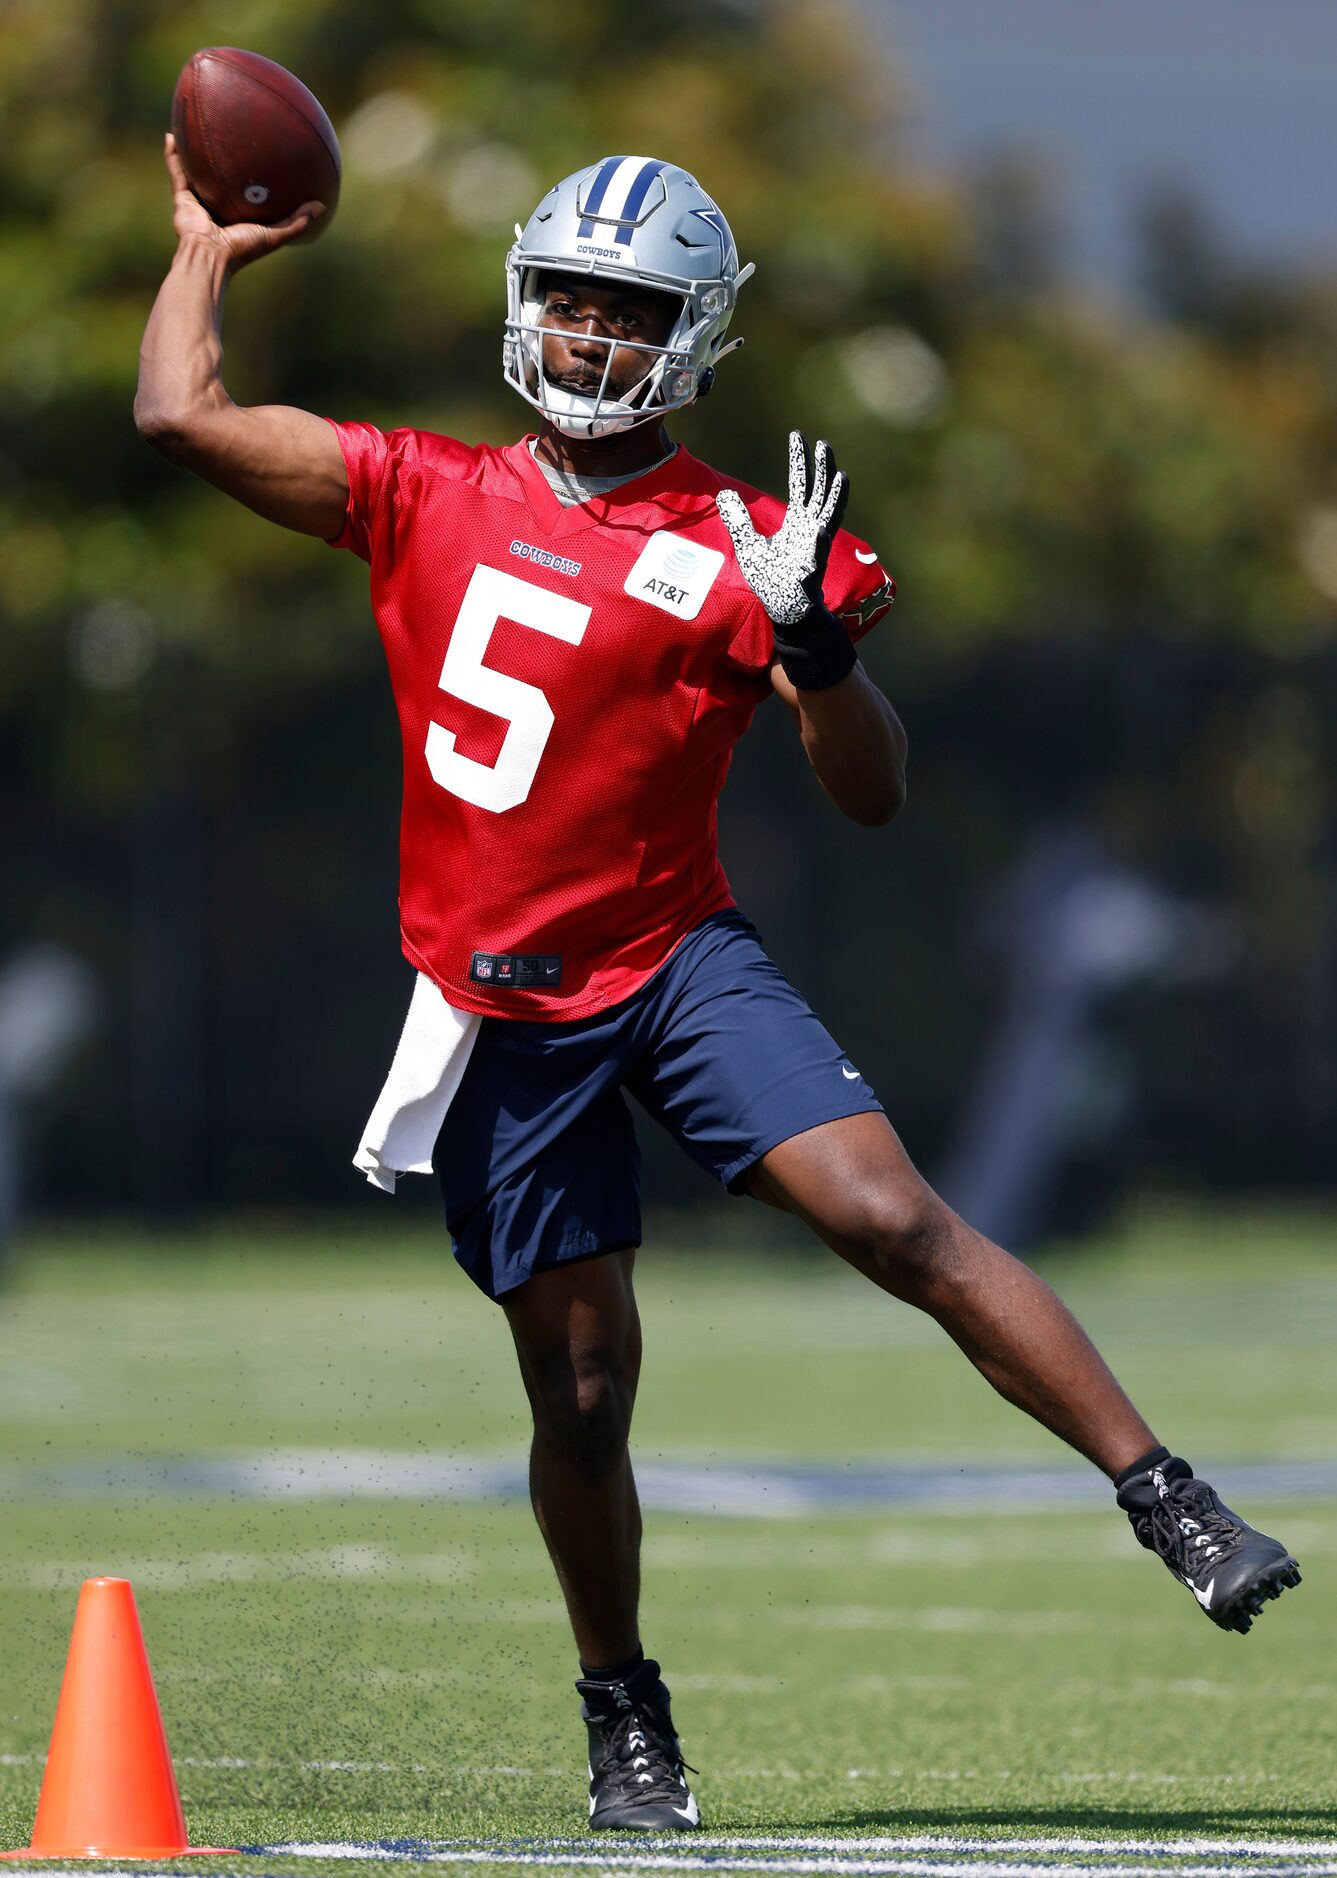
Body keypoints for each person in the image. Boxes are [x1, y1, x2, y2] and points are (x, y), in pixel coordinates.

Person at [135, 143, 1301, 1834]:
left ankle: (1164, 1492)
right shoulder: (417, 486)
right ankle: (623, 1708)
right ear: (527, 302)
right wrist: (202, 247)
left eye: (631, 311)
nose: (593, 335)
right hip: (490, 1004)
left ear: (690, 338)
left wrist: (817, 652)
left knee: (891, 1215)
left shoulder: (750, 535)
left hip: (673, 958)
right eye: (573, 299)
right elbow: (180, 417)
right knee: (584, 1388)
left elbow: (872, 792)